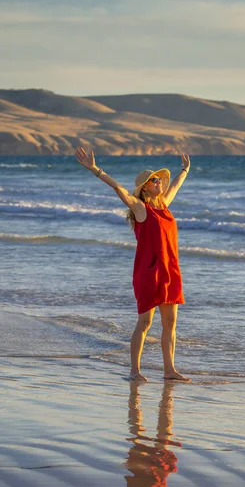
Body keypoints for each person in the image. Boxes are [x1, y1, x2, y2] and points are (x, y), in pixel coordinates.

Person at [75, 147, 191, 382]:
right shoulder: (141, 209)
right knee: (145, 322)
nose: (159, 182)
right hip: (148, 272)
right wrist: (95, 169)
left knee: (170, 322)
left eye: (159, 179)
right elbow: (119, 189)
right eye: (153, 180)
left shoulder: (164, 205)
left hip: (170, 270)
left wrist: (185, 170)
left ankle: (169, 371)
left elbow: (176, 185)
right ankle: (134, 371)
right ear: (145, 187)